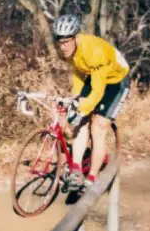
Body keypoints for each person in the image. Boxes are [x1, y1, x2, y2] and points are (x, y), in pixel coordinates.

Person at [52, 14, 131, 192]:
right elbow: (78, 73)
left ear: (75, 38)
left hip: (116, 82)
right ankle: (76, 170)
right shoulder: (67, 51)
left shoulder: (92, 51)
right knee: (80, 122)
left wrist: (82, 108)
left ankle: (92, 178)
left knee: (98, 127)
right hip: (94, 78)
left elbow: (98, 91)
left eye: (66, 42)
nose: (62, 47)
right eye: (59, 42)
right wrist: (76, 98)